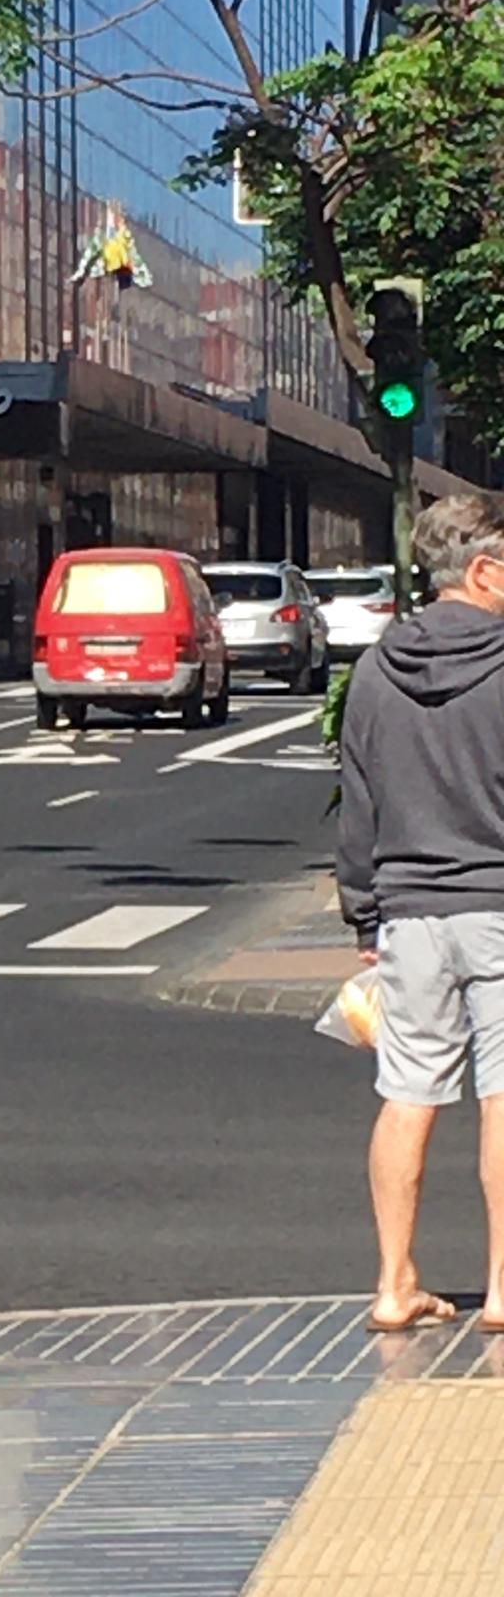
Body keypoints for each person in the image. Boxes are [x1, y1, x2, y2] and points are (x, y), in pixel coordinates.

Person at [338, 493, 504, 1333]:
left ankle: (394, 1283)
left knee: (407, 1091)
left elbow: (357, 804)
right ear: (480, 570)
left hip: (406, 912)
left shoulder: (374, 669)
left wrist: (365, 915)